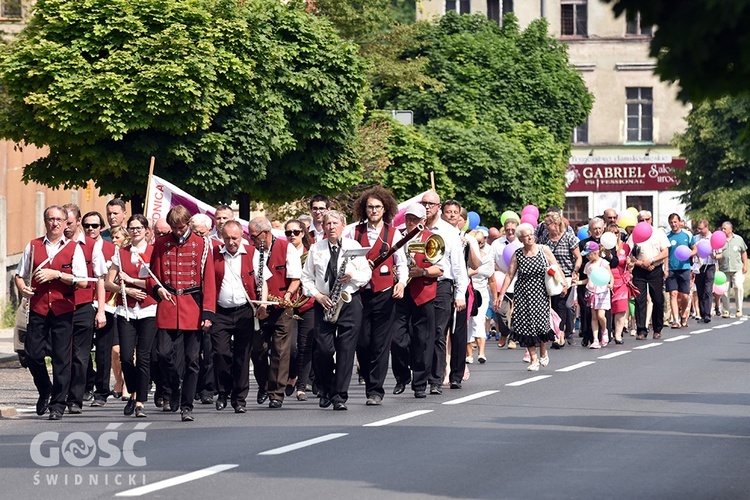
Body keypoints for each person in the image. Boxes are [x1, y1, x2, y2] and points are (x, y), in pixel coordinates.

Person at [15, 205, 87, 420]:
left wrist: (57, 274)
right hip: (38, 308)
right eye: (51, 219)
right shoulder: (33, 246)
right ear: (45, 221)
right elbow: (20, 274)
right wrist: (22, 288)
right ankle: (45, 389)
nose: (55, 223)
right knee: (32, 354)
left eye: (59, 219)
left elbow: (82, 281)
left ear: (66, 223)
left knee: (61, 358)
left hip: (63, 309)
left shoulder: (74, 248)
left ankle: (58, 405)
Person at [148, 205, 216, 422]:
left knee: (192, 360)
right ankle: (174, 387)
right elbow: (152, 275)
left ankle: (187, 405)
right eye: (174, 228)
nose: (178, 231)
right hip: (168, 304)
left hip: (193, 306)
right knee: (162, 354)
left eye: (181, 227)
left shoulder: (202, 243)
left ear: (188, 224)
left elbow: (209, 280)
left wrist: (208, 313)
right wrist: (157, 288)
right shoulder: (161, 243)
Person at [301, 210, 371, 411]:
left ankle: (339, 396)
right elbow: (306, 278)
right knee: (323, 349)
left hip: (349, 300)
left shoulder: (354, 247)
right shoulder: (316, 249)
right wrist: (318, 295)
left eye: (335, 223)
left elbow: (366, 274)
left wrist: (352, 276)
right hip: (324, 301)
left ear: (343, 225)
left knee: (346, 350)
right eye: (327, 223)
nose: (331, 227)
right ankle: (325, 387)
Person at [348, 187, 407, 406]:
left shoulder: (394, 234)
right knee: (362, 342)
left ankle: (375, 390)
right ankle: (366, 374)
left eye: (377, 207)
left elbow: (402, 264)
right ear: (364, 209)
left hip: (384, 294)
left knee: (381, 344)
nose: (373, 210)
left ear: (385, 209)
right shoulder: (353, 232)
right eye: (370, 207)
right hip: (360, 293)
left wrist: (401, 282)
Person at [212, 220, 269, 413]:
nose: (231, 242)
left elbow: (263, 280)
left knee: (243, 356)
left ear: (242, 237)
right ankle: (222, 392)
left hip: (245, 310)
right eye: (227, 238)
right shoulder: (214, 255)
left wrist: (262, 303)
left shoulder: (252, 254)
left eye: (234, 238)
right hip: (221, 311)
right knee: (221, 353)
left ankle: (240, 399)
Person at [105, 215, 157, 418]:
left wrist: (133, 281)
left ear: (146, 230)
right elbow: (109, 283)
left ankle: (140, 401)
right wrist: (126, 290)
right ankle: (134, 391)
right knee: (126, 356)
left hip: (148, 310)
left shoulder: (154, 253)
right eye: (131, 228)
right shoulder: (120, 253)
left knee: (143, 357)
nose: (135, 231)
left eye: (138, 228)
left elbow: (156, 283)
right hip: (126, 309)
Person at [248, 216, 302, 409]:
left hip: (281, 306)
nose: (251, 240)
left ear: (266, 233)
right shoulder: (252, 251)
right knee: (257, 349)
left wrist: (288, 295)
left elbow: (295, 278)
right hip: (258, 306)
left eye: (254, 236)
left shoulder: (287, 248)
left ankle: (276, 393)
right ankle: (264, 384)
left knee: (281, 351)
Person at [391, 203, 442, 398]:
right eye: (408, 218)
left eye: (414, 219)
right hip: (401, 292)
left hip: (424, 293)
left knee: (423, 340)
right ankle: (402, 376)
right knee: (397, 339)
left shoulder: (432, 239)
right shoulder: (398, 236)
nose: (410, 222)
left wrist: (423, 271)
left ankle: (420, 383)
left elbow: (441, 269)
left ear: (423, 221)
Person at [419, 192, 469, 394]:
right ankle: (420, 377)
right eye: (424, 204)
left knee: (439, 333)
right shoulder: (417, 229)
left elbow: (458, 266)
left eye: (431, 204)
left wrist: (459, 294)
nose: (427, 207)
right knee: (421, 333)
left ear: (438, 206)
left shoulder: (448, 231)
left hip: (442, 284)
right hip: (419, 283)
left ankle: (435, 380)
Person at [63, 204, 108, 415]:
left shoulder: (91, 246)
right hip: (59, 307)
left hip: (83, 306)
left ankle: (75, 399)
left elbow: (100, 278)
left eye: (69, 222)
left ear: (78, 221)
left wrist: (100, 310)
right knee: (60, 355)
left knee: (80, 356)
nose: (65, 226)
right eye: (63, 222)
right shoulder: (56, 244)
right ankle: (58, 393)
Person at [497, 223, 559, 371]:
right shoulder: (518, 254)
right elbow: (509, 275)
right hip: (523, 293)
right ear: (521, 239)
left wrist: (561, 283)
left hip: (541, 292)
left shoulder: (543, 250)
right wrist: (501, 294)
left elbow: (555, 267)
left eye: (531, 234)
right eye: (526, 236)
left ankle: (543, 351)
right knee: (526, 326)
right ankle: (533, 359)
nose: (530, 237)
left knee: (540, 324)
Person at [81, 211, 117, 407]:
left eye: (94, 226)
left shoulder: (111, 249)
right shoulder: (79, 247)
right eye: (87, 225)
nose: (90, 229)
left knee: (103, 351)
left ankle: (102, 392)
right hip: (85, 303)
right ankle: (88, 382)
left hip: (107, 305)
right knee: (81, 350)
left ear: (101, 228)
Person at [538, 211, 581, 346]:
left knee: (563, 305)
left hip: (566, 276)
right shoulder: (545, 238)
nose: (545, 226)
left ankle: (560, 334)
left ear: (555, 224)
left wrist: (575, 271)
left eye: (547, 224)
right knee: (553, 305)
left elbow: (578, 257)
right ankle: (557, 332)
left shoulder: (569, 238)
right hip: (550, 277)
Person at [628, 210, 670, 339]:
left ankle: (657, 328)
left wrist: (652, 260)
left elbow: (665, 252)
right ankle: (641, 330)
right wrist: (641, 263)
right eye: (641, 220)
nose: (644, 222)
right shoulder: (634, 234)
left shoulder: (658, 233)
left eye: (647, 219)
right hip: (640, 269)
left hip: (655, 268)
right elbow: (629, 254)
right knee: (640, 300)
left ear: (651, 220)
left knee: (657, 299)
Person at [285, 219, 315, 401]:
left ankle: (302, 386)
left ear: (303, 233)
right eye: (288, 233)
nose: (292, 236)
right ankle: (292, 374)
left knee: (306, 346)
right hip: (289, 304)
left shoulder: (311, 253)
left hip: (308, 302)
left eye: (296, 232)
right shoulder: (283, 252)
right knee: (291, 347)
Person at [190, 213, 217, 405]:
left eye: (200, 233)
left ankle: (208, 388)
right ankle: (192, 386)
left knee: (208, 348)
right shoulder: (189, 246)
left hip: (212, 301)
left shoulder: (216, 248)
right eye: (194, 232)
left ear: (209, 230)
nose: (197, 236)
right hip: (191, 300)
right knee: (191, 349)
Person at [490, 217, 520, 349]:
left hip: (518, 280)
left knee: (516, 312)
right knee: (500, 310)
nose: (510, 232)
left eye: (513, 229)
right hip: (501, 279)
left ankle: (512, 338)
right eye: (508, 229)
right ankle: (505, 332)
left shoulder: (522, 242)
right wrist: (500, 271)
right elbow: (491, 261)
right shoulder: (497, 243)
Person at [108, 225, 130, 401]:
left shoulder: (131, 256)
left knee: (131, 352)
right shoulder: (112, 258)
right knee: (115, 350)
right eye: (112, 237)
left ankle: (127, 386)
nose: (114, 240)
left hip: (131, 308)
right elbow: (107, 282)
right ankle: (118, 379)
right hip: (113, 307)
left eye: (117, 237)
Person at [466, 230, 493, 364]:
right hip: (467, 291)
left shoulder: (487, 258)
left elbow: (490, 277)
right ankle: (469, 354)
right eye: (473, 242)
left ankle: (481, 353)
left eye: (479, 243)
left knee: (478, 320)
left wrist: (496, 296)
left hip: (481, 294)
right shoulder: (463, 255)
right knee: (467, 322)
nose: (477, 245)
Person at [581, 242, 614, 348]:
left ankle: (604, 330)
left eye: (588, 254)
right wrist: (577, 282)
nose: (587, 257)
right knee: (594, 316)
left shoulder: (603, 263)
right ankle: (595, 339)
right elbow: (588, 279)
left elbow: (610, 276)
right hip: (591, 292)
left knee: (601, 315)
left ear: (595, 252)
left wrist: (611, 284)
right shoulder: (588, 265)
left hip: (602, 292)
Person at [603, 223, 631, 343]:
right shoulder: (603, 246)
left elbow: (628, 261)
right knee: (606, 309)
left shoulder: (625, 247)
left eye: (616, 233)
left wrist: (630, 263)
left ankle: (618, 335)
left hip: (620, 279)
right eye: (611, 233)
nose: (615, 235)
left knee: (620, 308)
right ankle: (606, 332)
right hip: (605, 279)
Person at [666, 214, 693, 328]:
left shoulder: (687, 235)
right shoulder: (667, 236)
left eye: (675, 222)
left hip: (684, 268)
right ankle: (676, 320)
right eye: (671, 222)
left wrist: (688, 254)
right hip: (671, 269)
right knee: (673, 294)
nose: (673, 224)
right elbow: (665, 253)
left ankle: (683, 315)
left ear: (679, 222)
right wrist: (666, 268)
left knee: (685, 296)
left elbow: (695, 248)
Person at [692, 219, 721, 324]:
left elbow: (720, 254)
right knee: (700, 290)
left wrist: (715, 256)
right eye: (698, 228)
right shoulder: (696, 238)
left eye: (701, 228)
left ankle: (707, 314)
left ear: (707, 227)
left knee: (708, 290)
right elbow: (693, 251)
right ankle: (703, 313)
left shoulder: (713, 238)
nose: (699, 230)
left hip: (710, 265)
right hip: (699, 266)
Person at [719, 221, 747, 318]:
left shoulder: (738, 239)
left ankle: (739, 309)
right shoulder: (720, 240)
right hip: (724, 268)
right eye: (722, 228)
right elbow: (717, 253)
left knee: (738, 287)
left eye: (724, 229)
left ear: (730, 229)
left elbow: (743, 252)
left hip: (737, 268)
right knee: (724, 290)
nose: (722, 230)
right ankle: (726, 310)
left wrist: (745, 265)